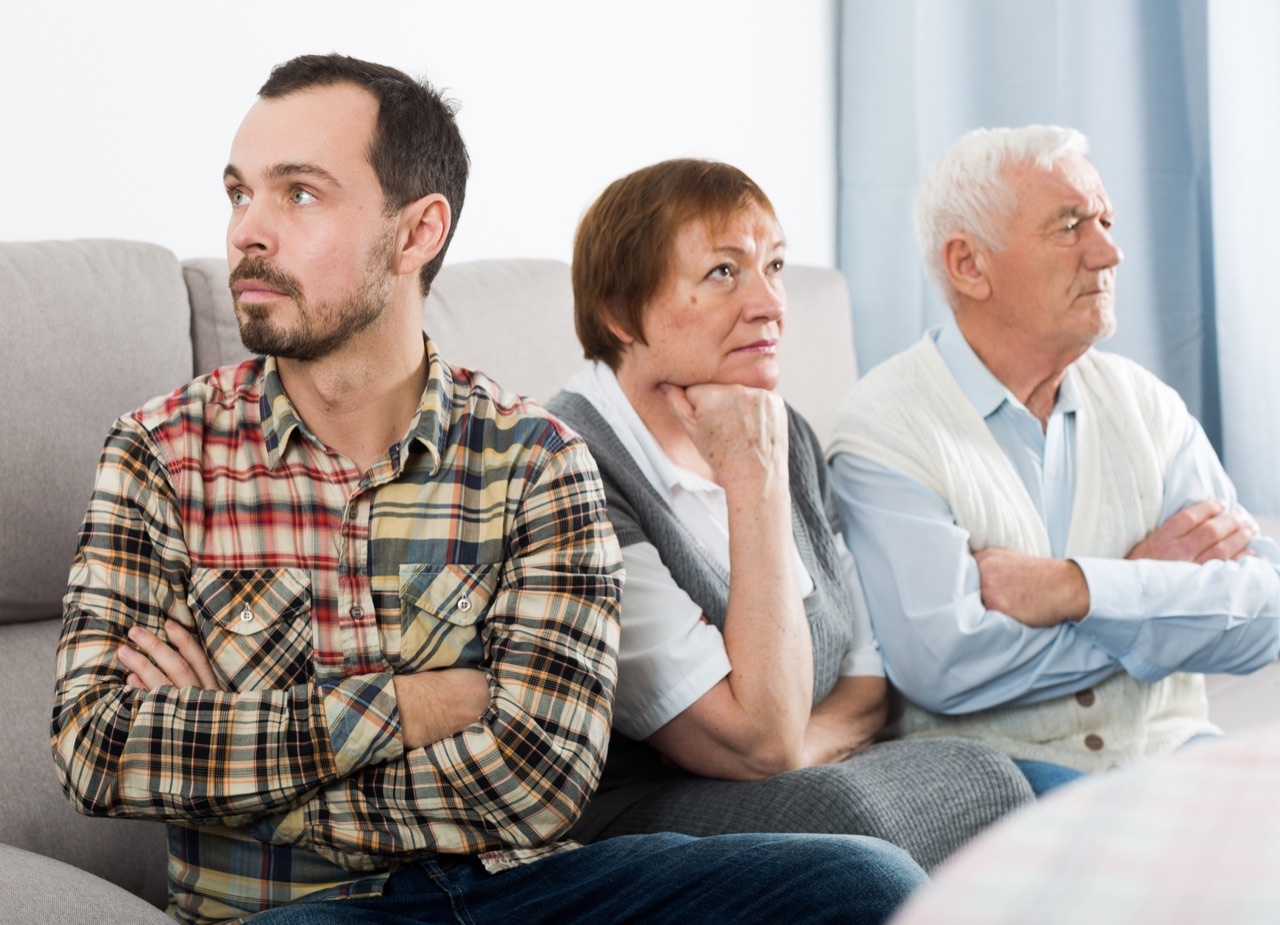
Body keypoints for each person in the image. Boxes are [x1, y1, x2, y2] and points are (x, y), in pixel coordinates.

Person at [50, 55, 927, 925]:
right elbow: (96, 748)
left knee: (866, 881)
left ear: (418, 231)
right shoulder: (159, 453)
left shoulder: (538, 457)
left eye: (300, 194)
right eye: (241, 192)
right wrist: (410, 704)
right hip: (296, 913)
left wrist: (238, 774)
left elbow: (542, 779)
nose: (247, 230)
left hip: (527, 893)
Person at [545, 158, 1033, 871]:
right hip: (635, 812)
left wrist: (797, 747)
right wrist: (753, 481)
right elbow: (748, 741)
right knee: (870, 815)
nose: (771, 303)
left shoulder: (785, 430)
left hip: (800, 774)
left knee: (1003, 784)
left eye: (775, 265)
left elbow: (867, 680)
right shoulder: (570, 465)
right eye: (723, 272)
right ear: (620, 313)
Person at [827, 124, 1280, 796]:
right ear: (968, 265)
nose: (1109, 251)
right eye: (1070, 225)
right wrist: (1149, 596)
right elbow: (945, 665)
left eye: (1104, 220)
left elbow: (1263, 614)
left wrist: (1075, 588)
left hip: (1174, 756)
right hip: (994, 782)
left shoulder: (1147, 404)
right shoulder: (883, 427)